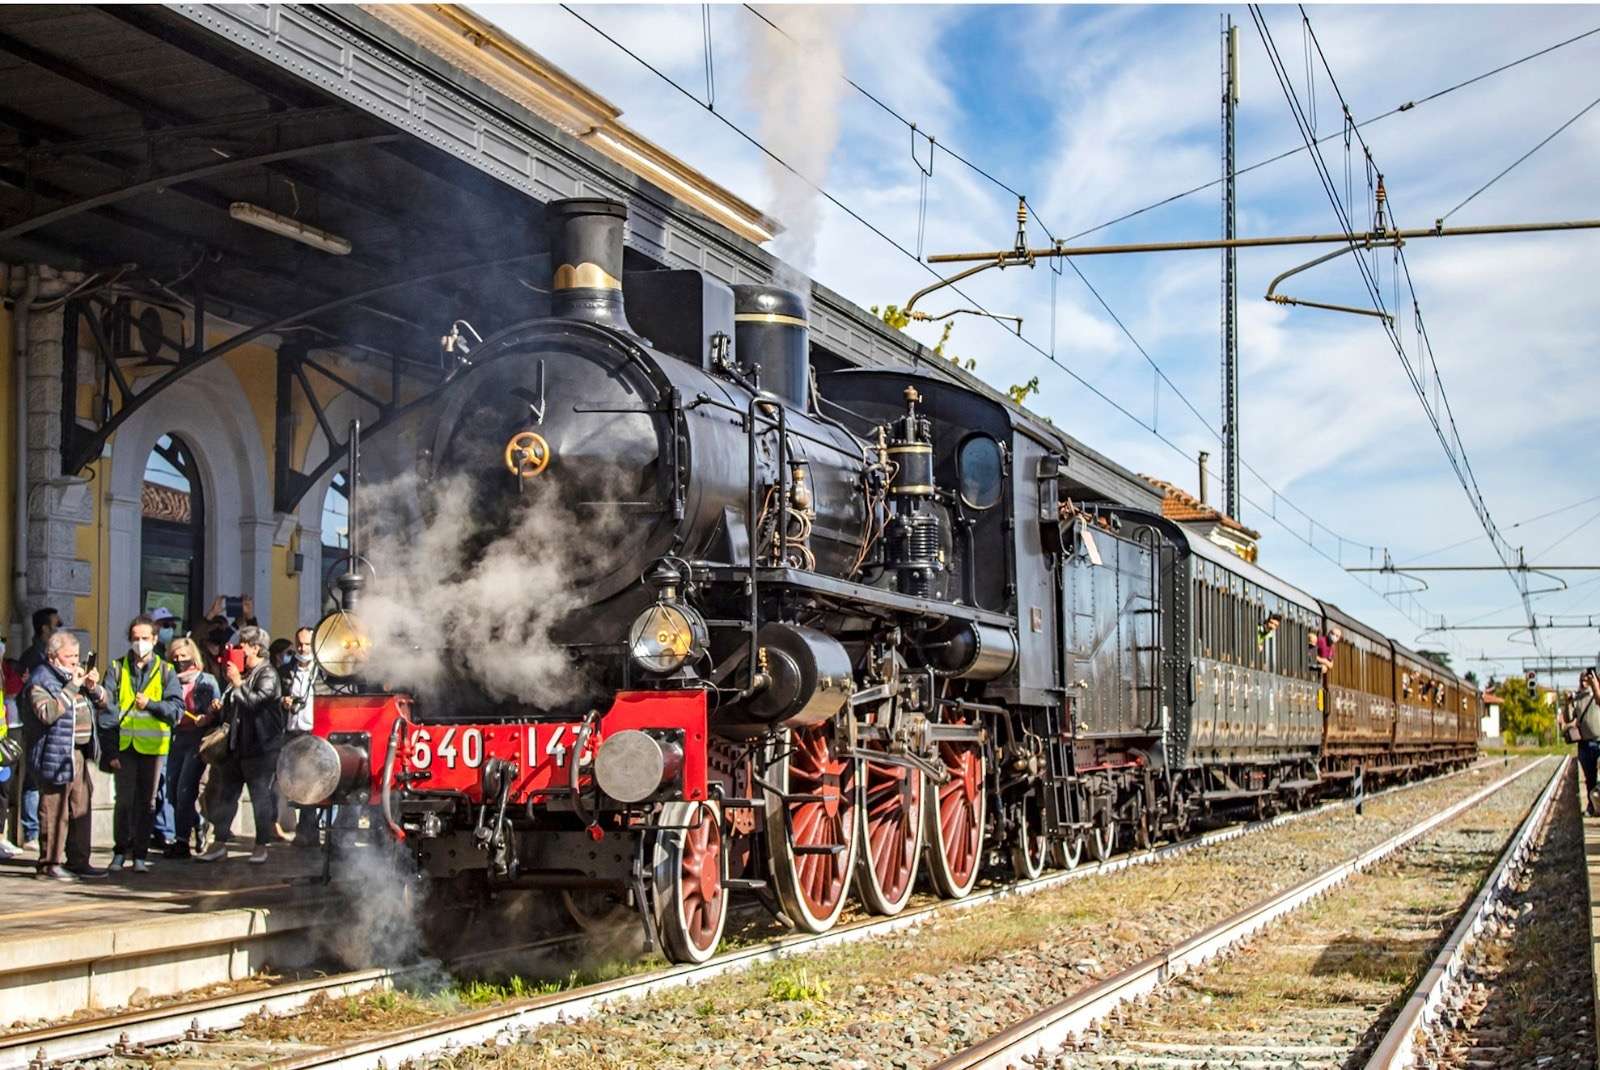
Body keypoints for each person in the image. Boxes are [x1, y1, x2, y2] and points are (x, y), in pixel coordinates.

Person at [22, 631, 109, 880]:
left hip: (79, 751)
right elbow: (48, 713)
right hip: (54, 751)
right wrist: (72, 686)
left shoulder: (75, 677)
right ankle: (49, 864)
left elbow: (105, 703)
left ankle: (79, 861)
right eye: (68, 656)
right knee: (54, 810)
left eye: (77, 656)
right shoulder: (42, 679)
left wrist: (93, 687)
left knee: (80, 807)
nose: (75, 661)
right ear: (53, 656)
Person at [101, 615, 182, 873]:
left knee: (146, 803)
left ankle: (140, 855)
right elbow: (107, 713)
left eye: (145, 638)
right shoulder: (116, 668)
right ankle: (119, 852)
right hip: (125, 747)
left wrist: (152, 705)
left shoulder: (166, 671)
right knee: (124, 800)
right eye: (135, 638)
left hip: (153, 748)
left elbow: (176, 710)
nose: (140, 643)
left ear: (155, 640)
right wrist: (110, 751)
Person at [198, 626, 284, 864]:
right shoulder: (243, 674)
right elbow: (234, 708)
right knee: (226, 795)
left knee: (260, 797)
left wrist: (237, 684)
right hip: (237, 746)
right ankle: (219, 842)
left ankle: (261, 845)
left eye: (243, 645)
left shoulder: (267, 674)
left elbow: (256, 703)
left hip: (260, 747)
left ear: (256, 648)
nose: (239, 650)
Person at [162, 637, 221, 859]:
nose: (179, 662)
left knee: (185, 789)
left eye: (183, 657)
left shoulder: (207, 681)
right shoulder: (169, 680)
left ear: (193, 657)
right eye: (175, 657)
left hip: (197, 738)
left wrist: (207, 717)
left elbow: (216, 710)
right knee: (171, 791)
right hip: (175, 737)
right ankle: (199, 823)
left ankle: (181, 840)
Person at [15, 606, 59, 852]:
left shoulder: (47, 656)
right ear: (45, 629)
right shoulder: (34, 657)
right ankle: (31, 831)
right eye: (56, 624)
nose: (59, 628)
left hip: (50, 727)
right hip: (34, 725)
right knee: (32, 780)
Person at [278, 626, 321, 847]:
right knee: (296, 783)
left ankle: (308, 830)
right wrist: (283, 702)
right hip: (292, 732)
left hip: (314, 732)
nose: (303, 648)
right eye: (300, 644)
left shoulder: (323, 672)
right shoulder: (285, 671)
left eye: (307, 644)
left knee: (311, 782)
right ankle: (303, 829)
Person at [1562, 668, 1600, 817]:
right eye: (1582, 680)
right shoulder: (1577, 698)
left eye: (1587, 679)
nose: (1584, 682)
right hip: (1585, 744)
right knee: (1589, 778)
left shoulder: (1597, 694)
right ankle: (1592, 806)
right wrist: (1567, 703)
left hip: (1599, 741)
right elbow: (1567, 719)